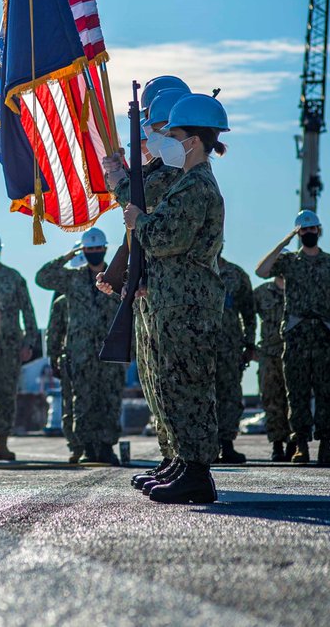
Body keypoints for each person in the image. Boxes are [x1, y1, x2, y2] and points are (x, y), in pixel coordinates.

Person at [124, 93, 228, 504]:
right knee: (175, 383)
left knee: (189, 385)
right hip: (176, 300)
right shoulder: (188, 182)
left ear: (194, 140)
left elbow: (167, 238)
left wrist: (140, 222)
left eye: (174, 135)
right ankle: (186, 464)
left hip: (188, 302)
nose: (167, 140)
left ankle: (196, 472)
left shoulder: (196, 185)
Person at [102, 82, 191, 482]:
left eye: (155, 130)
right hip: (158, 290)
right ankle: (173, 458)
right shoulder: (163, 171)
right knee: (158, 382)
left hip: (176, 293)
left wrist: (117, 174)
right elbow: (136, 231)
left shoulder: (174, 175)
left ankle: (187, 463)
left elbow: (139, 208)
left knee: (175, 382)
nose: (148, 139)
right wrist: (126, 273)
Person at [255, 209, 330, 466]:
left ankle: (325, 446)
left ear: (319, 230)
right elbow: (261, 271)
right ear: (299, 233)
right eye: (304, 230)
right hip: (296, 337)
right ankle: (301, 446)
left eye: (312, 228)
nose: (309, 233)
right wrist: (286, 240)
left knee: (326, 393)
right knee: (296, 394)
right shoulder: (289, 262)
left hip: (324, 336)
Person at [36, 228, 125, 465]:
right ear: (83, 251)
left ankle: (106, 447)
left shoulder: (117, 277)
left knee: (110, 399)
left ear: (104, 249)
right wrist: (68, 256)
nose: (94, 252)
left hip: (110, 351)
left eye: (97, 248)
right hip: (80, 352)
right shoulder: (72, 279)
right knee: (82, 401)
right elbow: (42, 277)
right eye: (89, 249)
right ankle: (86, 447)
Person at [0, 231, 39, 461]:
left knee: (6, 394)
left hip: (11, 346)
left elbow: (28, 311)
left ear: (0, 251)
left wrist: (29, 343)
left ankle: (2, 442)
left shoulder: (14, 278)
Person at [216, 254, 256, 464]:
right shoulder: (192, 270)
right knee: (201, 397)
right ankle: (205, 447)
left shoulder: (236, 274)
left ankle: (227, 444)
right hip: (199, 347)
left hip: (230, 348)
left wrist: (250, 344)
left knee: (230, 395)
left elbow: (249, 313)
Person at [253, 271, 291, 461]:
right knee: (271, 398)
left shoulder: (300, 288)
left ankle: (295, 442)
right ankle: (277, 444)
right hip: (269, 353)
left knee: (296, 400)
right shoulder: (261, 292)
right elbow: (247, 318)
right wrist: (249, 345)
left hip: (295, 352)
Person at [45, 286, 78, 462]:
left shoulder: (106, 285)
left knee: (103, 401)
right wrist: (53, 357)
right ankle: (77, 446)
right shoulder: (63, 293)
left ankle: (103, 447)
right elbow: (54, 329)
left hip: (101, 358)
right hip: (71, 357)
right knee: (71, 404)